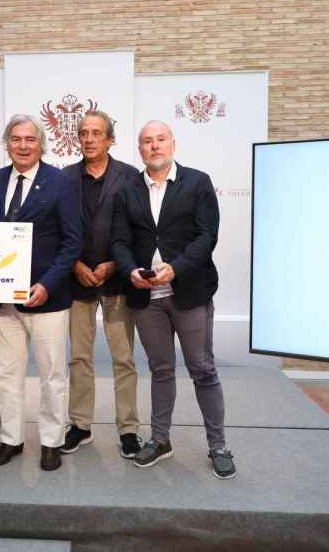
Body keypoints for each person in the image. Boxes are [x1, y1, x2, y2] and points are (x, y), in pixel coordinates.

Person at [111, 120, 236, 479]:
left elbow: (206, 235)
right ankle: (161, 440)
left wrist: (176, 268)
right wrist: (129, 270)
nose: (154, 146)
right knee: (161, 370)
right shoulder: (127, 189)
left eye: (160, 139)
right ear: (140, 149)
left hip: (189, 293)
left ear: (173, 144)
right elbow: (119, 241)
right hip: (147, 298)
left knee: (203, 369)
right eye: (147, 142)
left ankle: (219, 446)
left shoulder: (197, 182)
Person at [0, 114, 80, 471]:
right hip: (4, 301)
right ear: (6, 143)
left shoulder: (60, 182)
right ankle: (11, 438)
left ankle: (52, 441)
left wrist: (47, 284)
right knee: (6, 374)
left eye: (30, 139)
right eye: (16, 139)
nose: (22, 146)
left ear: (41, 144)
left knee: (52, 374)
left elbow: (72, 243)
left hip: (48, 298)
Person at [60, 110, 142, 459]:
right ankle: (80, 425)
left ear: (110, 139)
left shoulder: (130, 177)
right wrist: (76, 265)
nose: (89, 139)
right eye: (83, 133)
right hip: (76, 280)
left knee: (123, 358)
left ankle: (128, 429)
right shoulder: (63, 178)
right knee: (79, 358)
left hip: (118, 281)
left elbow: (141, 229)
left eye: (97, 133)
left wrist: (114, 265)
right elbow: (58, 228)